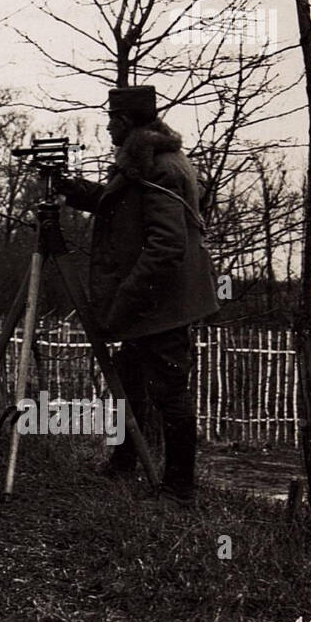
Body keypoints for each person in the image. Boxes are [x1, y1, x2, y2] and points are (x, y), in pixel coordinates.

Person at [56, 86, 218, 507]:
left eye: (112, 118)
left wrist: (123, 300)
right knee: (130, 380)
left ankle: (180, 489)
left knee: (170, 391)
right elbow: (114, 203)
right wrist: (70, 188)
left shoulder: (160, 167)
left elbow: (166, 246)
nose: (107, 124)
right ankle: (125, 461)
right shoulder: (142, 159)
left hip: (163, 302)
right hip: (153, 299)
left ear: (127, 122)